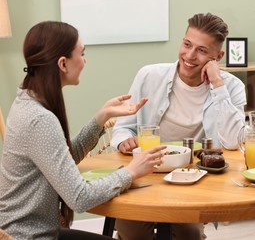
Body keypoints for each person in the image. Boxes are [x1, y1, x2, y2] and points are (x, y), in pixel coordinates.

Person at [0, 21, 167, 240]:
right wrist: (131, 171)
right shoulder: (40, 119)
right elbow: (80, 197)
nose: (85, 60)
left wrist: (101, 117)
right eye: (82, 53)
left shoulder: (27, 99)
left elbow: (64, 160)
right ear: (63, 63)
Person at [111, 13, 247, 240]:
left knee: (189, 234)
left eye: (202, 50)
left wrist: (217, 83)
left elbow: (234, 142)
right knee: (130, 230)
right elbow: (123, 128)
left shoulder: (231, 87)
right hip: (145, 178)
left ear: (218, 56)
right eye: (187, 45)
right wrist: (124, 140)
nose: (190, 56)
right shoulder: (148, 76)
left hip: (194, 184)